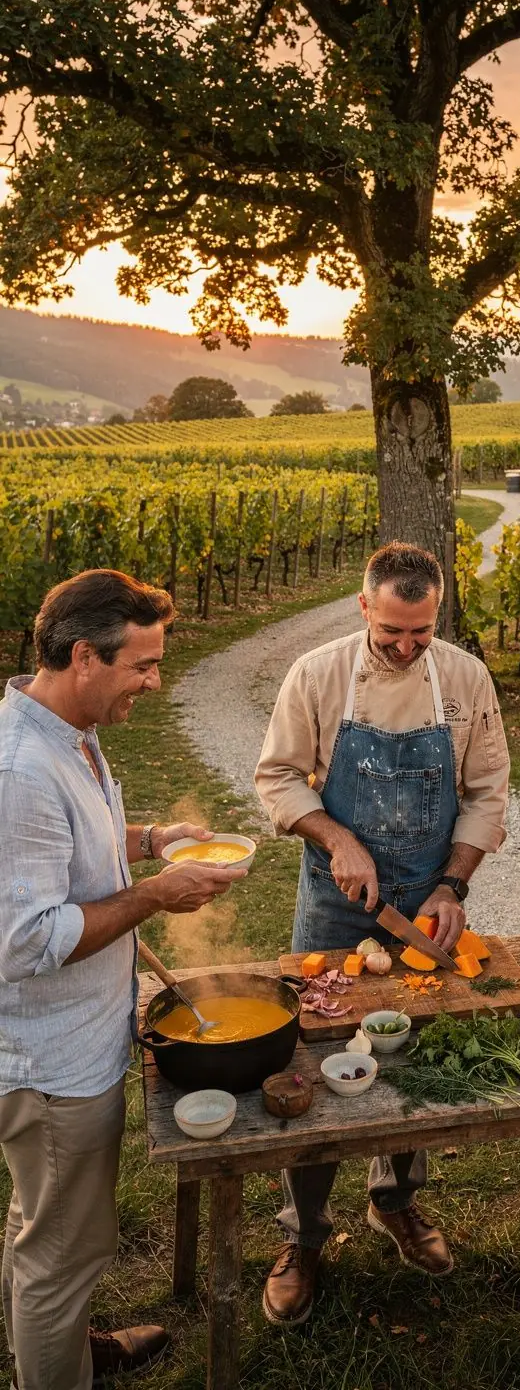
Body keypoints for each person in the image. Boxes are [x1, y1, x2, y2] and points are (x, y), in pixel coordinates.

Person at [0, 570, 248, 1390]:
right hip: (50, 1064)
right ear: (83, 655)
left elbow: (72, 855)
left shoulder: (69, 731)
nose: (155, 680)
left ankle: (69, 1347)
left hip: (71, 1044)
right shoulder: (20, 772)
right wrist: (153, 896)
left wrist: (149, 839)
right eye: (142, 665)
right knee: (64, 1254)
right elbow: (26, 939)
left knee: (46, 1223)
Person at [255, 541, 510, 1325]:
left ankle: (395, 1200)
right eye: (392, 631)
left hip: (425, 900)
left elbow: (488, 790)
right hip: (337, 901)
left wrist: (453, 883)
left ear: (437, 616)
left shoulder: (464, 678)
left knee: (412, 1046)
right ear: (364, 607)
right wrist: (338, 839)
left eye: (421, 633)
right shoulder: (318, 674)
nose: (405, 646)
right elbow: (276, 777)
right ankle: (303, 1233)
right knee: (320, 1052)